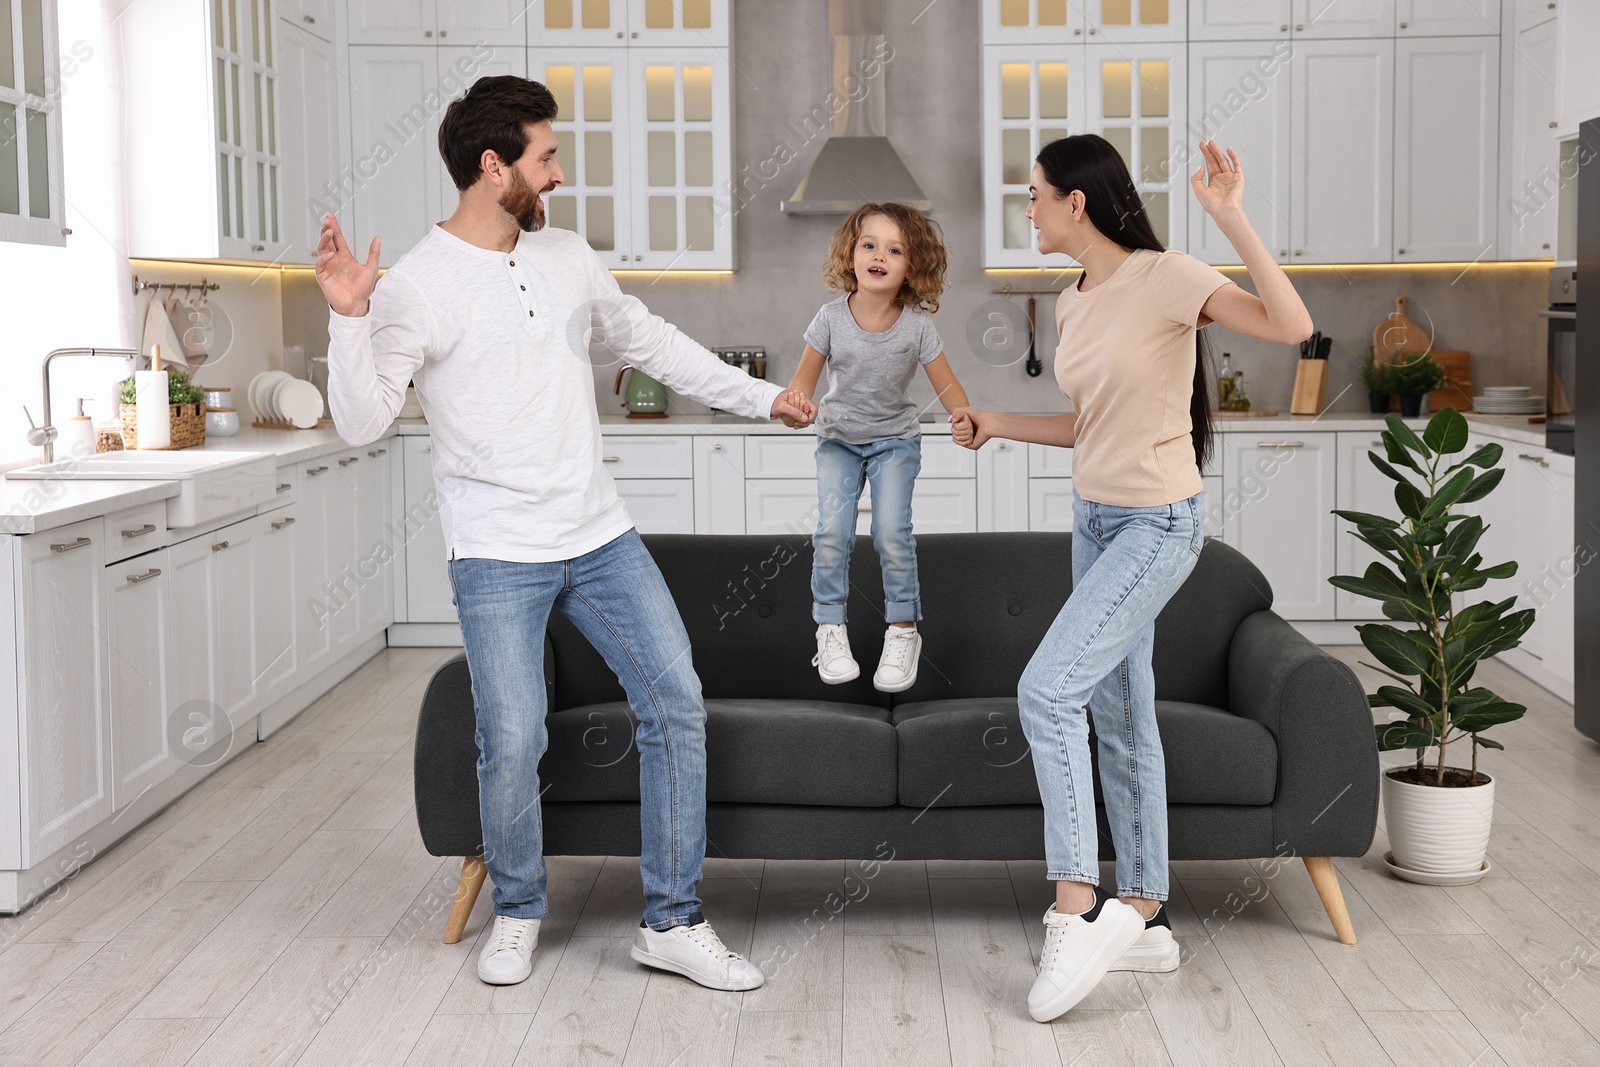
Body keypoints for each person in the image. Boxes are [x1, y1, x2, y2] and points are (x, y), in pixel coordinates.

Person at [314, 75, 815, 991]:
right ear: (493, 164)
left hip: (600, 537)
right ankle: (517, 907)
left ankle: (672, 919)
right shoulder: (417, 284)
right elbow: (362, 420)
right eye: (546, 158)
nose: (559, 174)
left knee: (677, 706)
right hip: (496, 548)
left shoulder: (568, 256)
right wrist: (349, 319)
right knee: (511, 738)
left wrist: (761, 396)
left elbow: (649, 342)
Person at [951, 136, 1313, 1023]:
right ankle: (1145, 913)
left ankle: (1076, 908)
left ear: (1076, 202)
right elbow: (1092, 423)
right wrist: (997, 419)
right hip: (1096, 520)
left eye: (1034, 195)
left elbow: (1291, 326)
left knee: (1046, 692)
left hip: (1159, 522)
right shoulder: (1074, 301)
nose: (1027, 209)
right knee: (1120, 712)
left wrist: (1231, 215)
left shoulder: (1167, 275)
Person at [784, 202, 970, 692]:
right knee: (832, 533)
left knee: (890, 531)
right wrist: (795, 408)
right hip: (839, 441)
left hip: (895, 441)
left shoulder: (916, 326)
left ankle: (903, 630)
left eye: (895, 249)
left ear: (913, 266)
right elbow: (801, 385)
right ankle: (830, 628)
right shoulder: (828, 318)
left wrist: (965, 419)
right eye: (869, 245)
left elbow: (948, 387)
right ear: (851, 255)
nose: (879, 255)